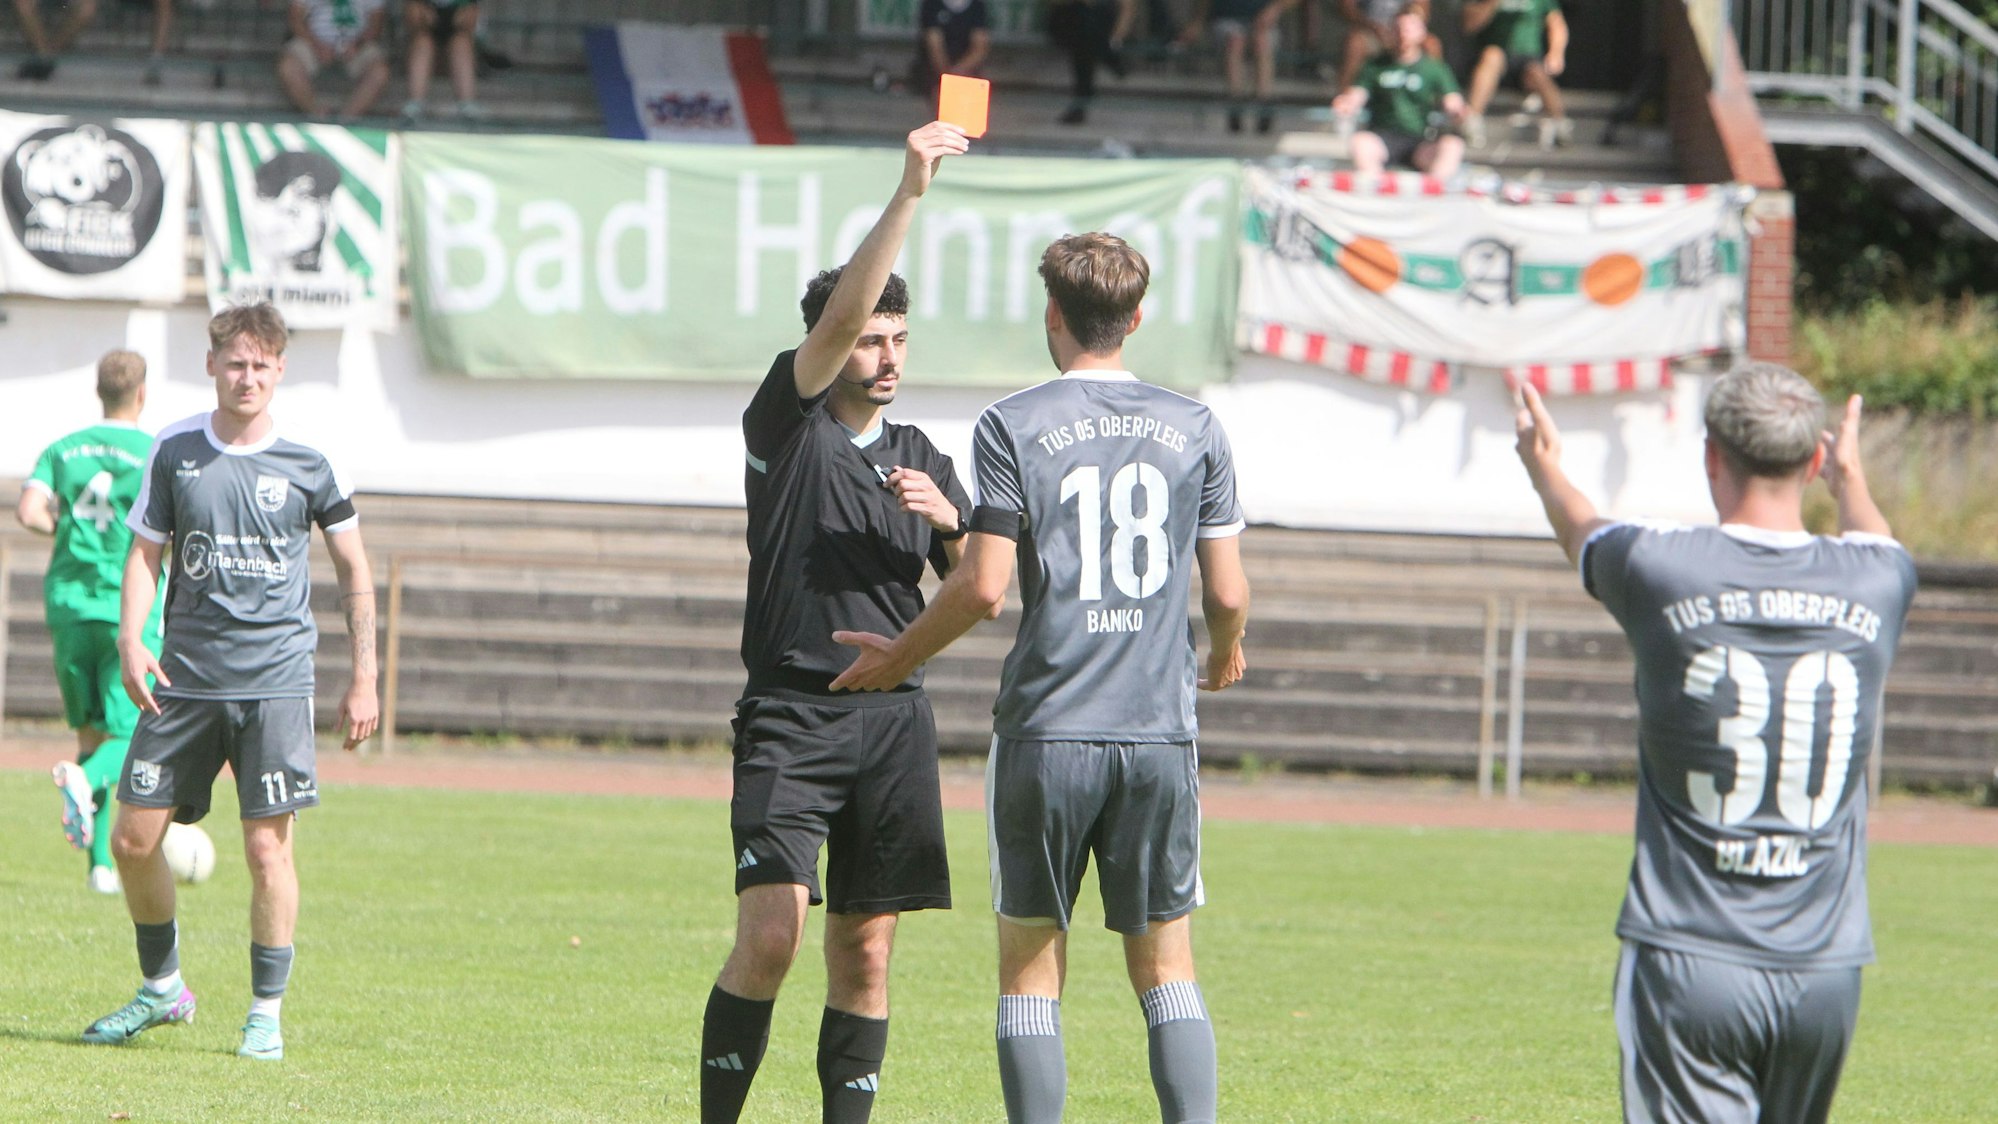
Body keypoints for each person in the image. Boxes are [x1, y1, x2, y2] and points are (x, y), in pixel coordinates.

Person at [831, 231, 1252, 1124]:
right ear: (1135, 318)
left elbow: (983, 587)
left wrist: (897, 656)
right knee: (1167, 966)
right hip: (1156, 732)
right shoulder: (1195, 427)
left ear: (1052, 314)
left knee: (1031, 968)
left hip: (1048, 731)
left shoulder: (1011, 424)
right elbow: (1228, 589)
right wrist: (1220, 652)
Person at [1513, 365, 1918, 1124]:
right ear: (1813, 463)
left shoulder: (1657, 565)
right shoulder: (1880, 581)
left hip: (1690, 956)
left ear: (1711, 457)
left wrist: (1545, 467)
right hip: (1825, 970)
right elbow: (1875, 537)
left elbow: (1580, 529)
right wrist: (1852, 478)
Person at [699, 120, 973, 1124]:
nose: (887, 352)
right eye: (870, 336)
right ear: (830, 342)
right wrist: (909, 191)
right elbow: (849, 303)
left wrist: (955, 525)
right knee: (772, 934)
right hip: (792, 712)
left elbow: (992, 587)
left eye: (900, 338)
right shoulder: (787, 422)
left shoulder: (927, 459)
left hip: (893, 723)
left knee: (866, 949)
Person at [79, 302, 379, 1063]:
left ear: (280, 371)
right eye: (234, 362)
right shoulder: (174, 450)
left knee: (266, 853)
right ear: (212, 365)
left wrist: (365, 676)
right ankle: (163, 989)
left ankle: (266, 1015)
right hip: (181, 680)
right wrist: (130, 640)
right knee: (131, 838)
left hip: (274, 684)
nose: (247, 377)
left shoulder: (311, 463)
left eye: (261, 364)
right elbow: (145, 554)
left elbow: (354, 570)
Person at [17, 350, 162, 896]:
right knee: (127, 734)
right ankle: (86, 786)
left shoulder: (62, 448)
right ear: (141, 393)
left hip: (69, 602)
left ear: (98, 391)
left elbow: (29, 511)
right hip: (128, 609)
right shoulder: (154, 453)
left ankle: (100, 866)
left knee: (91, 734)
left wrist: (65, 529)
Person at [1332, 4, 1465, 178]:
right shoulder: (1374, 65)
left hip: (1420, 140)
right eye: (1399, 28)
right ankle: (1376, 193)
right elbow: (1357, 95)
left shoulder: (1434, 68)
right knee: (1360, 143)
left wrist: (1457, 111)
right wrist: (1346, 104)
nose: (1403, 34)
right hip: (1382, 138)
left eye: (1409, 29)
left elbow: (1452, 101)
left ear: (1422, 32)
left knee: (1452, 146)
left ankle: (1436, 195)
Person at [1461, 0, 1570, 149]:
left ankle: (1560, 123)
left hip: (1528, 59)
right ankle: (1472, 120)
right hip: (1496, 58)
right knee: (1492, 55)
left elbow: (1556, 24)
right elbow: (1469, 25)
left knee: (1537, 72)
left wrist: (1556, 53)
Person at [1178, 0, 1299, 134]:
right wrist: (1197, 21)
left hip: (1263, 23)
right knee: (1235, 40)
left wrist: (1275, 8)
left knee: (1261, 40)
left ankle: (1264, 103)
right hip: (1227, 21)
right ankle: (1235, 102)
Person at [276, 0, 390, 120]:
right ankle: (316, 115)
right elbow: (295, 19)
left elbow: (376, 23)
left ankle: (346, 118)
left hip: (357, 43)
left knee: (380, 71)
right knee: (288, 66)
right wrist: (316, 45)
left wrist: (357, 44)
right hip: (312, 41)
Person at [1047, 0, 1135, 126]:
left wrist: (1119, 35)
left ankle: (1080, 103)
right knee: (1084, 22)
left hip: (1088, 29)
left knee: (1086, 39)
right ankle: (1109, 57)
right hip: (1067, 20)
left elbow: (1127, 7)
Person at [400, 0, 482, 125]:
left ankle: (467, 106)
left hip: (454, 57)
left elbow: (470, 28)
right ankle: (414, 105)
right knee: (422, 42)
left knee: (461, 42)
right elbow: (412, 25)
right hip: (424, 54)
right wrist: (424, 17)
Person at [1333, 0, 1439, 90]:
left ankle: (1436, 95)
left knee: (1431, 45)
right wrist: (1373, 27)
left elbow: (1423, 10)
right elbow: (1347, 8)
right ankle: (1345, 96)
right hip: (1370, 31)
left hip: (1405, 31)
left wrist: (1405, 29)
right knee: (1354, 44)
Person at [910, 0, 990, 114]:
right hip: (935, 71)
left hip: (967, 72)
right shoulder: (931, 4)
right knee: (939, 93)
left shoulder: (977, 5)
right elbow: (934, 47)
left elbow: (980, 47)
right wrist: (947, 77)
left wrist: (959, 71)